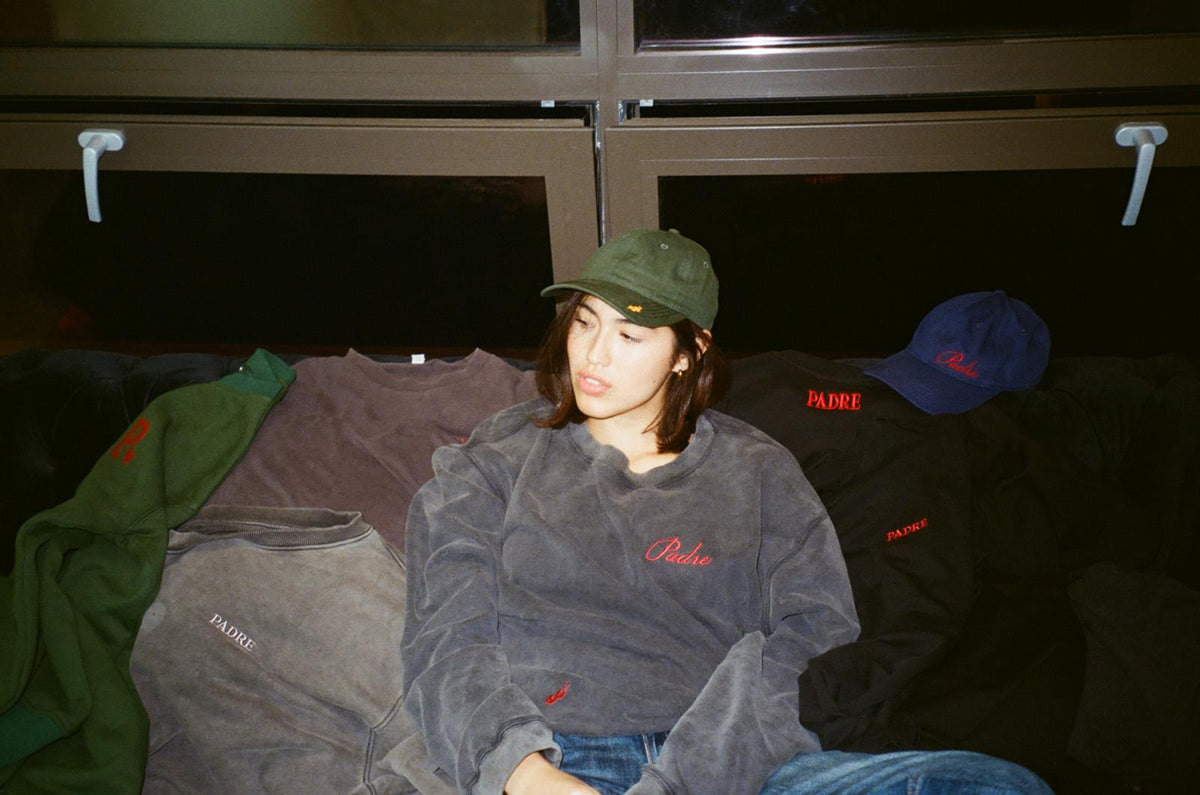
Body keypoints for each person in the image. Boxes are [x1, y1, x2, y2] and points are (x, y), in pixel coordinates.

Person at [400, 228, 1054, 795]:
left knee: (1000, 785)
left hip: (731, 764)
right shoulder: (498, 459)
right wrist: (522, 770)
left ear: (689, 353)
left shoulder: (759, 469)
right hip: (564, 753)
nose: (594, 355)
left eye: (629, 334)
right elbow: (445, 633)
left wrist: (690, 774)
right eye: (585, 321)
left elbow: (814, 632)